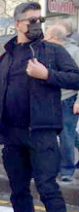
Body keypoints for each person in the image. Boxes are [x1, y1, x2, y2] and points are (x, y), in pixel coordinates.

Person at [0, 2, 79, 212]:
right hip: (12, 135)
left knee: (48, 188)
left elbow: (76, 77)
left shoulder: (53, 51)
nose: (37, 24)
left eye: (40, 19)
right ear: (17, 24)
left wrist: (47, 74)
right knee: (17, 189)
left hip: (41, 132)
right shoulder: (5, 58)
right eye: (31, 20)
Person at [44, 25, 79, 182]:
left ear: (54, 38)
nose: (44, 39)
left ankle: (67, 171)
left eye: (46, 36)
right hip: (52, 99)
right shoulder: (50, 51)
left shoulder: (74, 52)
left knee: (66, 135)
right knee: (67, 133)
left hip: (68, 98)